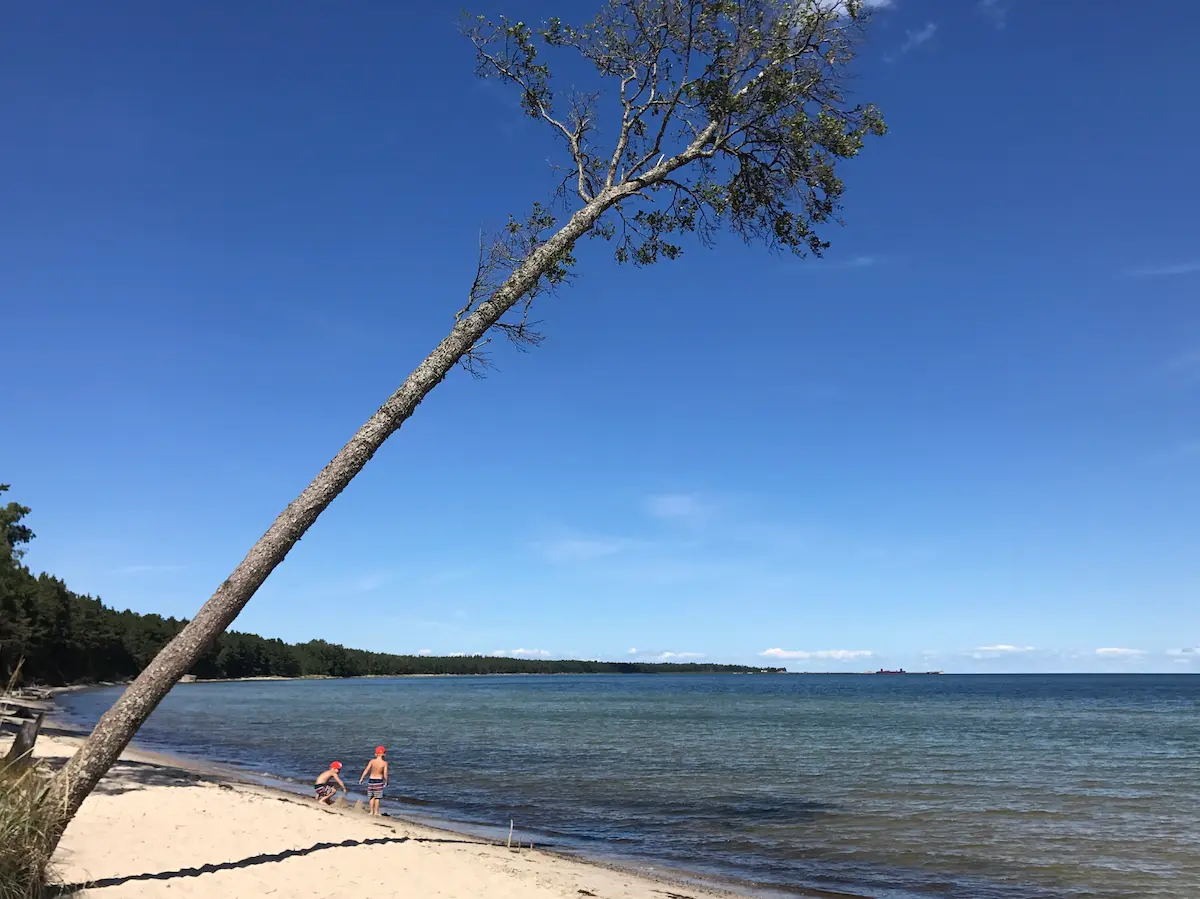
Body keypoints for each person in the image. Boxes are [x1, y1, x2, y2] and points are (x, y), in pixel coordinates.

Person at [359, 745, 388, 816]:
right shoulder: (384, 763)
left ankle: (371, 811)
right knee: (377, 797)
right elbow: (385, 774)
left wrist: (362, 778)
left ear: (376, 754)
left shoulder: (372, 761)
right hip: (378, 781)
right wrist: (386, 781)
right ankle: (376, 812)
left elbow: (366, 770)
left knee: (371, 797)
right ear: (384, 754)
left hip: (371, 780)